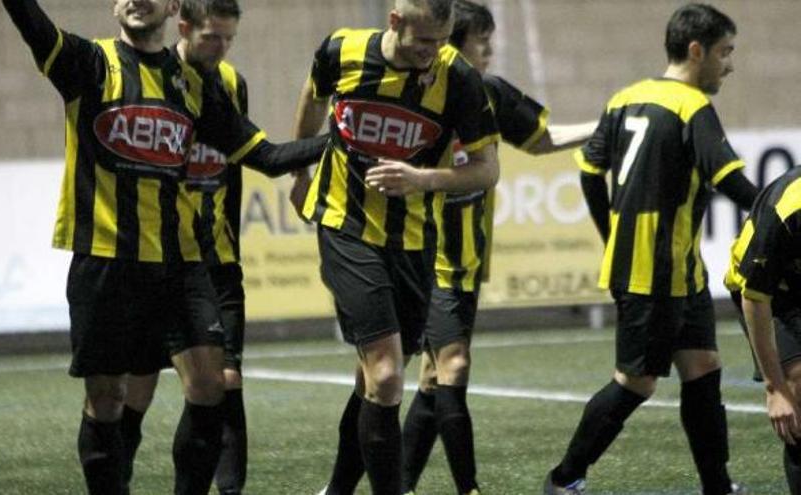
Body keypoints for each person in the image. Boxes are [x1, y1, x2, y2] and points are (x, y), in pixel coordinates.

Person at [2, 1, 325, 493]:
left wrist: (339, 140)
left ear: (173, 7)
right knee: (107, 400)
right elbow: (31, 24)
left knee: (210, 385)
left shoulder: (193, 83)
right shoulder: (89, 63)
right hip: (106, 261)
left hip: (179, 264)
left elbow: (266, 156)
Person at [542, 4, 758, 495]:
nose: (730, 64)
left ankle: (717, 486)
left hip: (677, 269)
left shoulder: (625, 98)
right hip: (655, 271)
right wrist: (780, 212)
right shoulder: (691, 106)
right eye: (725, 52)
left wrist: (611, 231)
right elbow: (731, 181)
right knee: (635, 381)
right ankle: (564, 479)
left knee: (702, 367)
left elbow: (588, 170)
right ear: (696, 50)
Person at [290, 0, 500, 493]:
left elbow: (488, 170)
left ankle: (338, 489)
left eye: (442, 41)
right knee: (386, 375)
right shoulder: (342, 50)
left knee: (374, 380)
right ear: (395, 23)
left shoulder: (459, 78)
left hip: (413, 241)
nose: (433, 52)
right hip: (346, 226)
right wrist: (299, 169)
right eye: (424, 41)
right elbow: (314, 96)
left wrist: (422, 178)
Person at [396, 2, 597, 494]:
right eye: (481, 41)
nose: (489, 50)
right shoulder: (412, 94)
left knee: (431, 380)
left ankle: (396, 486)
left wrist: (605, 124)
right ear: (452, 45)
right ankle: (470, 489)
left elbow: (542, 137)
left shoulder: (487, 94)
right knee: (453, 366)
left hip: (464, 262)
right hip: (420, 257)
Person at [118, 1, 250, 495]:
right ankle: (115, 476)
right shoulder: (155, 80)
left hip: (216, 262)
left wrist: (233, 245)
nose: (219, 49)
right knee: (137, 389)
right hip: (158, 261)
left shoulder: (232, 84)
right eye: (211, 37)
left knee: (223, 381)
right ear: (185, 28)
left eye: (228, 39)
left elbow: (237, 163)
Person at [724, 166, 801, 494]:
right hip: (771, 294)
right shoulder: (787, 208)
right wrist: (776, 388)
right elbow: (755, 297)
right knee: (798, 388)